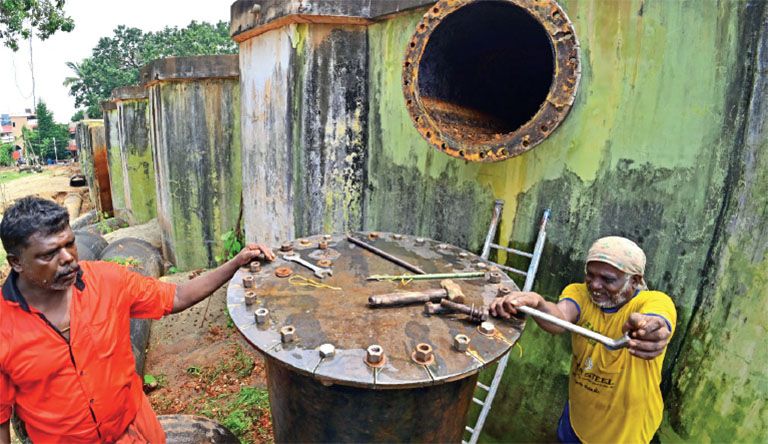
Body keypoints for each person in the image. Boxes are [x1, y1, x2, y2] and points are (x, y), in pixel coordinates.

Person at [0, 196, 275, 443]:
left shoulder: (108, 281)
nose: (68, 258)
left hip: (136, 432)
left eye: (70, 243)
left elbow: (177, 296)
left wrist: (234, 264)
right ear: (17, 262)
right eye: (49, 254)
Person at [490, 236, 676, 444]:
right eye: (590, 274)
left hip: (624, 434)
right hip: (577, 420)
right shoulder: (579, 292)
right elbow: (559, 318)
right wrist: (538, 305)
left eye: (608, 280)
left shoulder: (654, 301)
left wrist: (651, 331)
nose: (595, 285)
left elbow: (658, 320)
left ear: (634, 280)